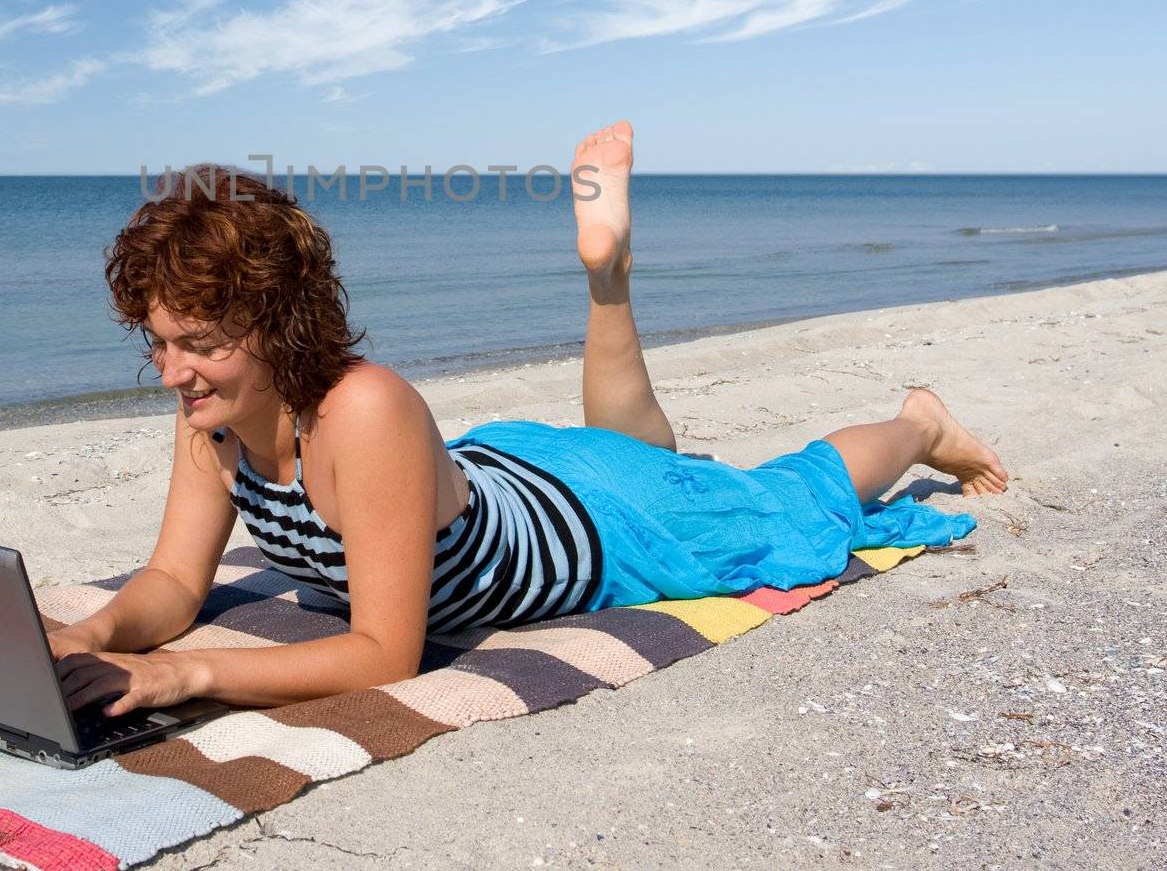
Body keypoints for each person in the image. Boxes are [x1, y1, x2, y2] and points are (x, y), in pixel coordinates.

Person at [49, 121, 1007, 717]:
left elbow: (387, 655)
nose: (172, 371)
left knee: (779, 496)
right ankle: (608, 278)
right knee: (643, 448)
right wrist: (96, 635)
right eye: (159, 342)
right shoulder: (212, 414)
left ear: (280, 321)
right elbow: (175, 580)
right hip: (504, 477)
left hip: (598, 529)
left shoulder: (364, 408)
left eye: (200, 341)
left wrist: (191, 677)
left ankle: (916, 422)